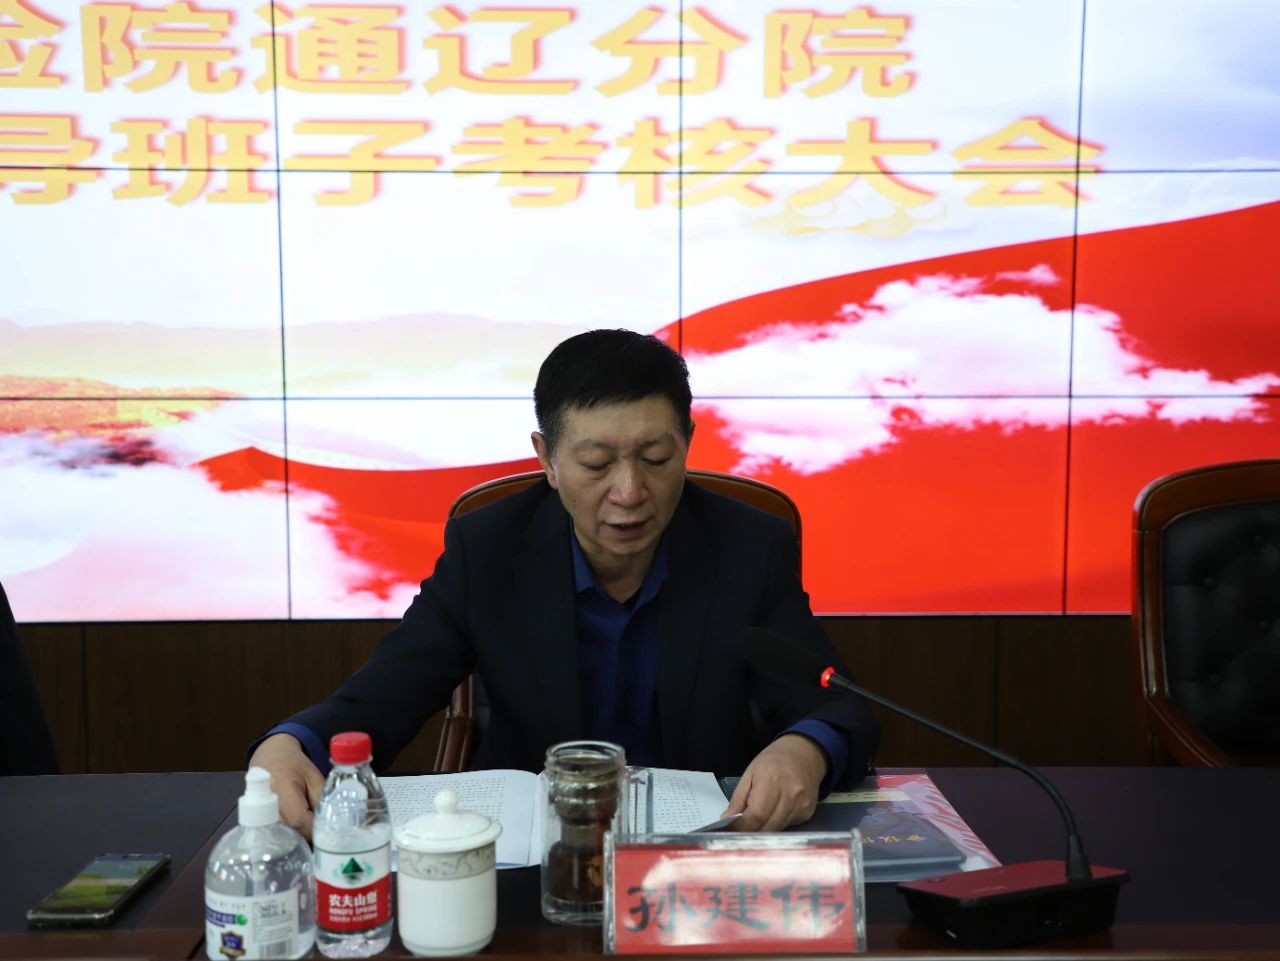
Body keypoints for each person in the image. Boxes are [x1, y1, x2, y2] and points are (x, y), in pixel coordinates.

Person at [249, 329, 878, 834]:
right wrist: (287, 745)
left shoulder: (748, 547)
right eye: (597, 464)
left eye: (656, 459)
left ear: (687, 444)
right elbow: (383, 695)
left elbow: (834, 705)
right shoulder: (488, 550)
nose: (629, 491)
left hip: (703, 848)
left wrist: (804, 749)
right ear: (547, 459)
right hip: (534, 857)